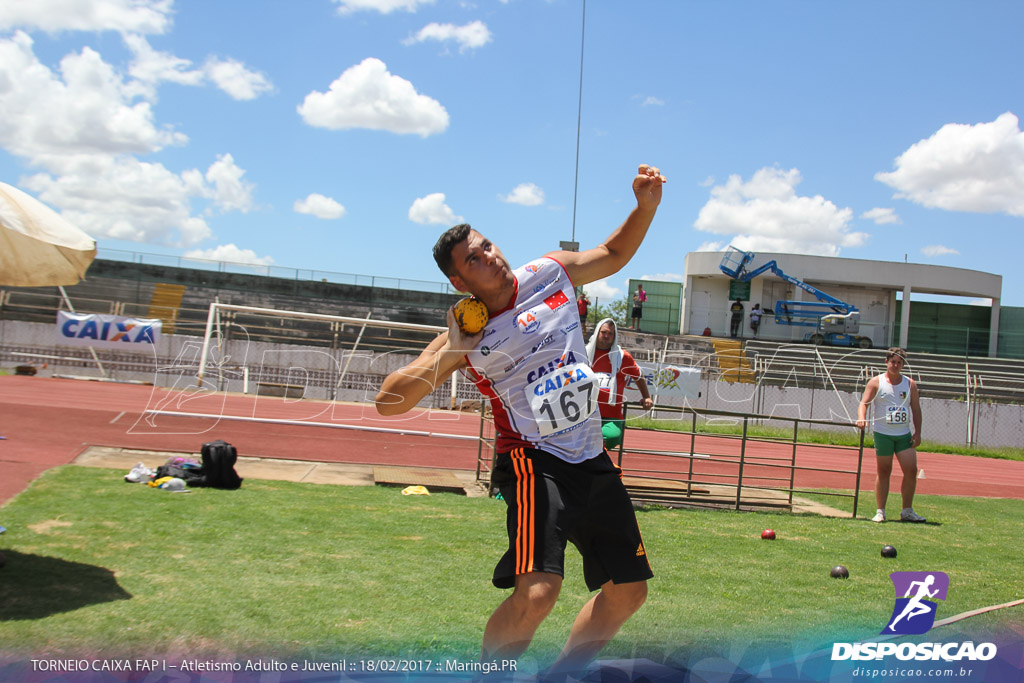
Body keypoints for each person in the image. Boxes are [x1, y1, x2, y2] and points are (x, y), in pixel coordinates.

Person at [375, 164, 666, 675]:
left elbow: (614, 254)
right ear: (458, 279)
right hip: (534, 460)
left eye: (488, 246)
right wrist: (453, 352)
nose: (490, 257)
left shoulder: (549, 273)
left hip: (590, 454)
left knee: (629, 591)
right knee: (537, 592)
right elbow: (389, 402)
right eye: (474, 258)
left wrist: (645, 208)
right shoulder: (467, 331)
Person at [855, 347, 926, 524]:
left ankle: (907, 511)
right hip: (883, 434)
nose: (895, 365)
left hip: (903, 435)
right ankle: (880, 511)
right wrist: (861, 418)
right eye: (892, 361)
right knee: (884, 471)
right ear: (886, 362)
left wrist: (918, 432)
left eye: (899, 362)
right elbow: (864, 403)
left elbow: (916, 409)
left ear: (903, 364)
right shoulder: (876, 382)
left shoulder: (910, 384)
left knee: (911, 470)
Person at [586, 318, 653, 451]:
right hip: (585, 415)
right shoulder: (583, 353)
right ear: (597, 332)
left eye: (610, 334)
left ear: (614, 336)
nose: (606, 336)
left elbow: (639, 376)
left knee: (611, 437)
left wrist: (646, 397)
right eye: (603, 332)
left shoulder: (623, 357)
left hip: (612, 416)